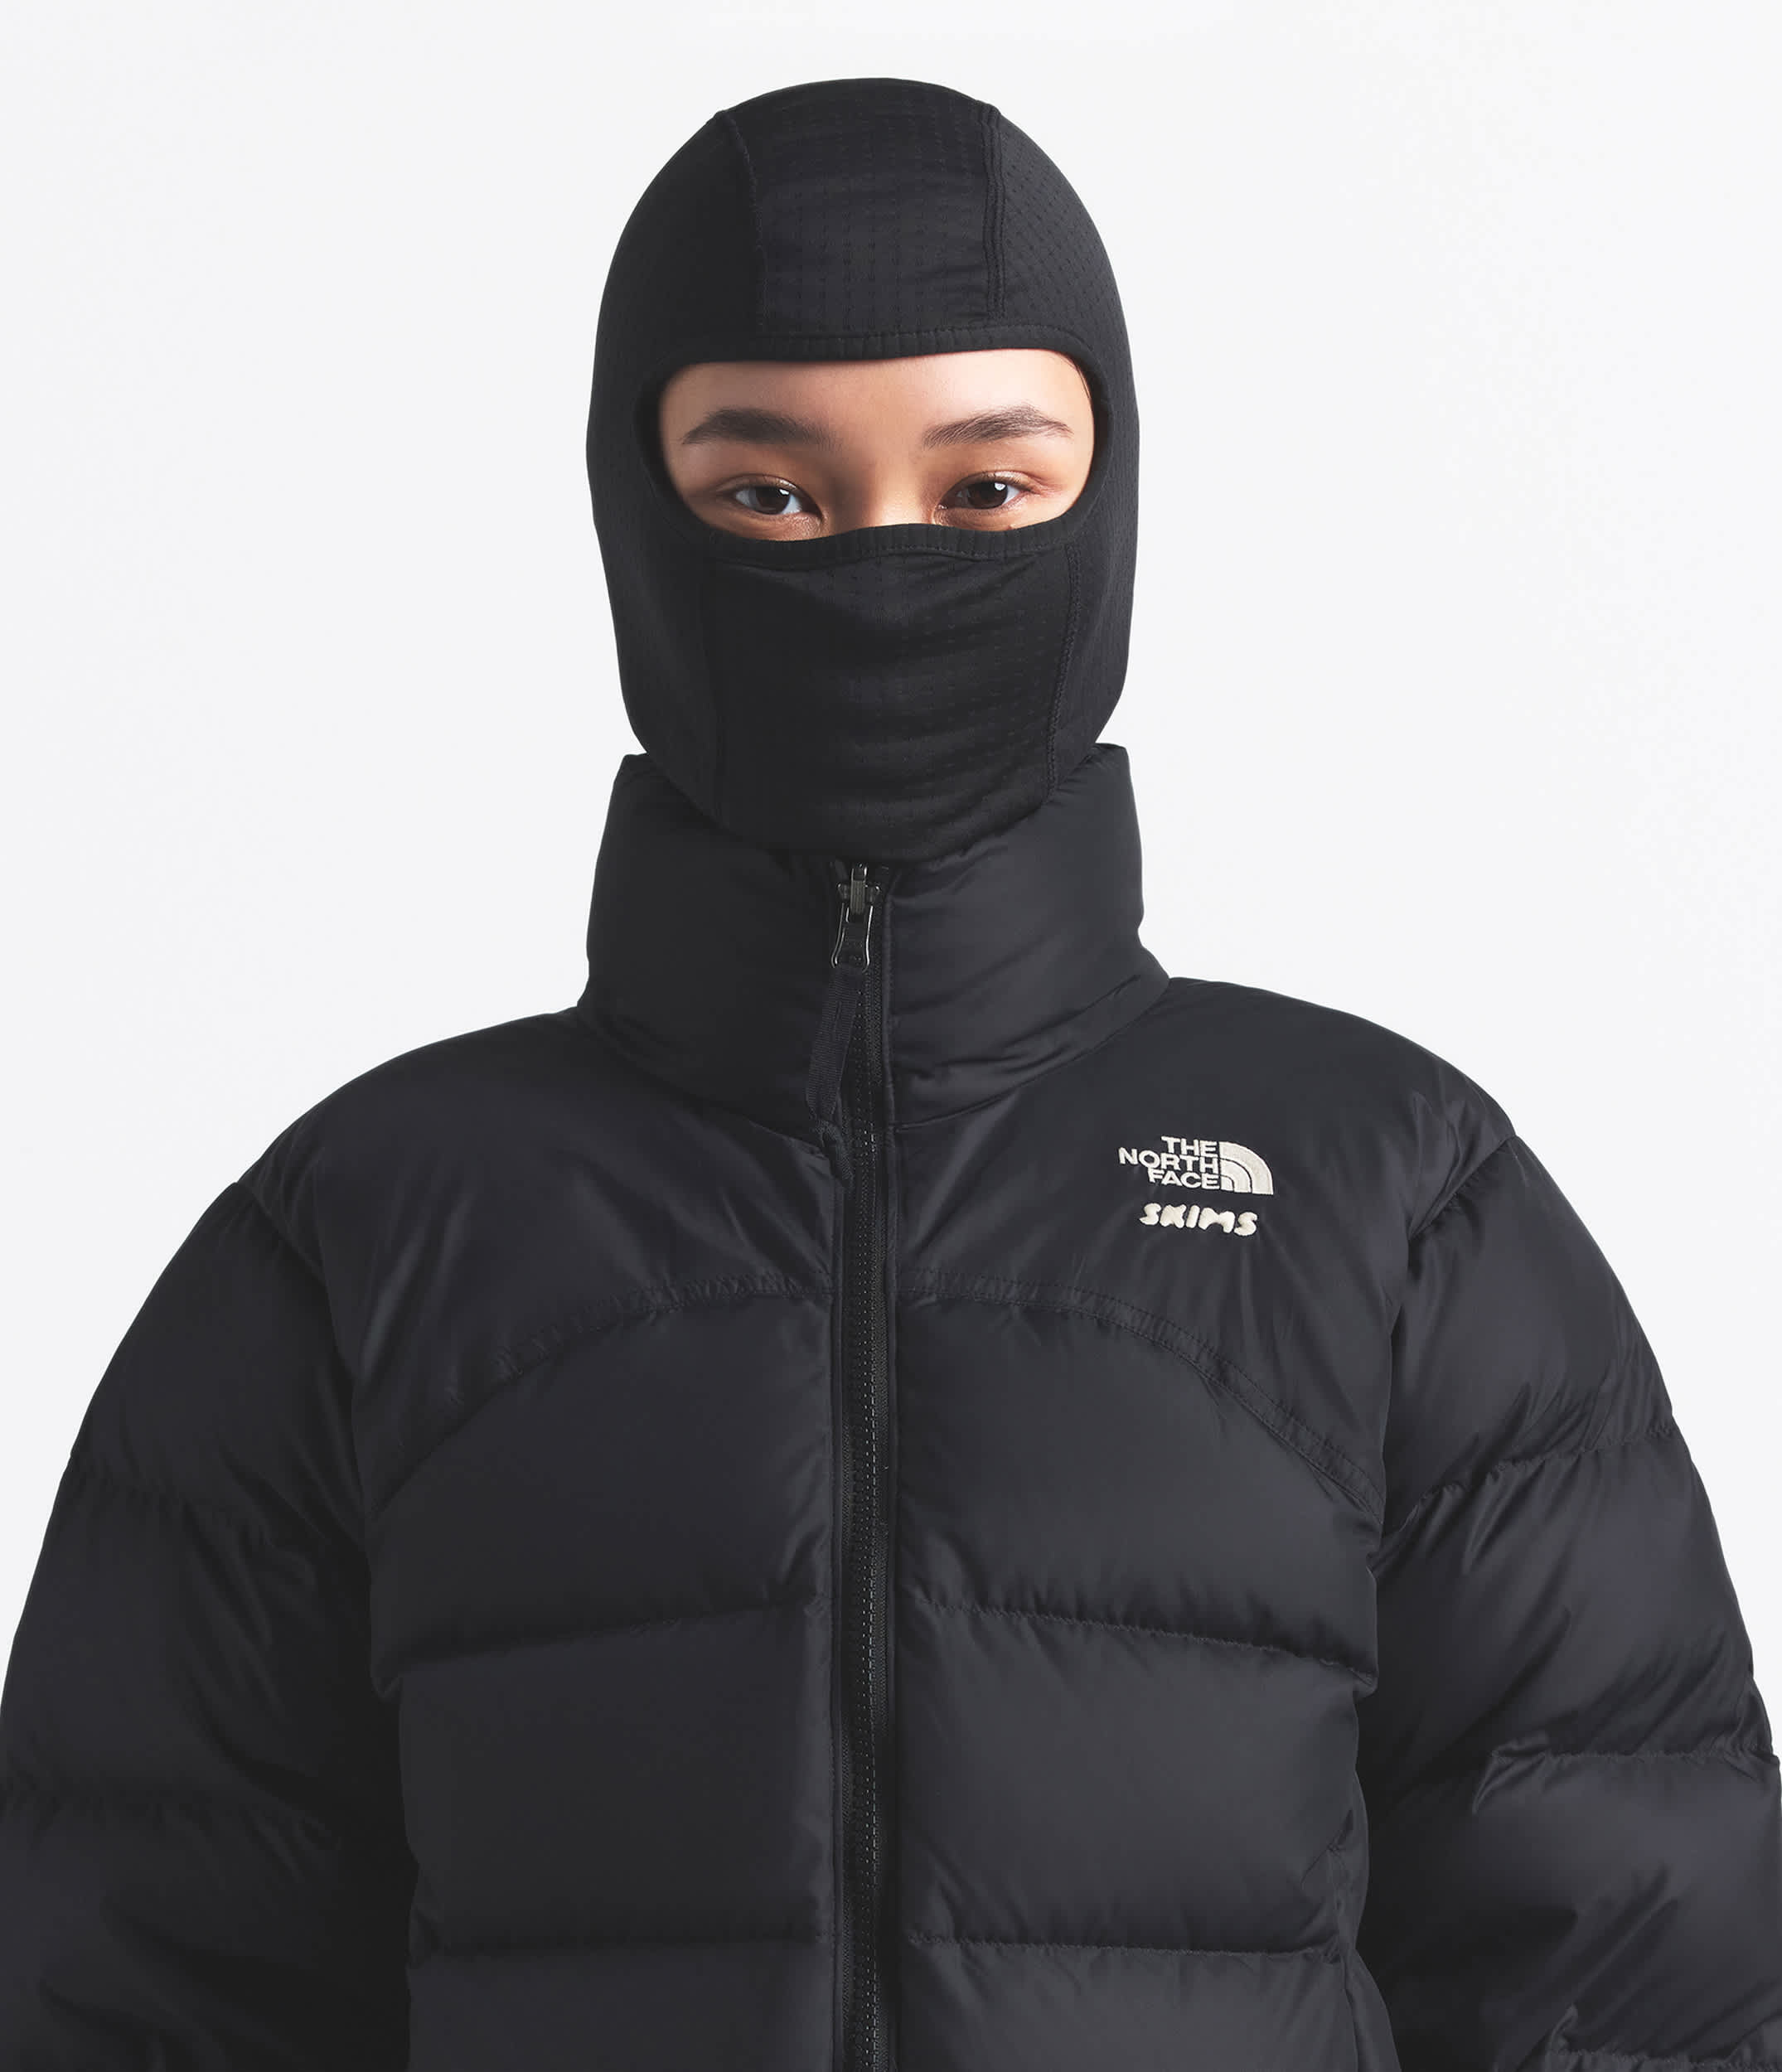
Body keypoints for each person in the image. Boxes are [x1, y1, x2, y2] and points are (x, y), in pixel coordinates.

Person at [2, 71, 1778, 2072]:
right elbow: (134, 1994)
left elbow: (1626, 1993)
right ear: (631, 509)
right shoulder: (363, 1235)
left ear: (1104, 496)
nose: (880, 565)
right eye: (768, 493)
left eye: (987, 488)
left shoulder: (1391, 1203)